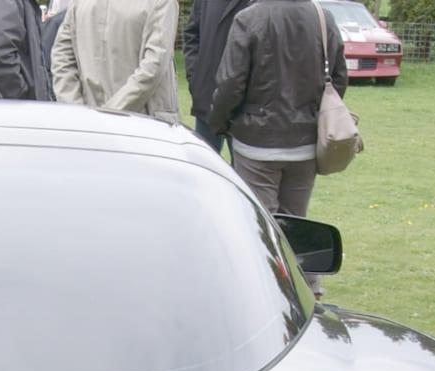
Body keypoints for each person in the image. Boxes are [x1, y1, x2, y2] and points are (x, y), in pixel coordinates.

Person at [206, 0, 345, 296]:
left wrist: (219, 122)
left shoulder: (250, 18)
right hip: (304, 143)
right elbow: (339, 78)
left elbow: (231, 82)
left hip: (257, 141)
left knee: (260, 227)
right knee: (296, 222)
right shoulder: (323, 17)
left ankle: (265, 295)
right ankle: (306, 290)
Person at [50, 0, 181, 124]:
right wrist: (103, 114)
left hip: (93, 122)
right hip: (143, 125)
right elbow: (154, 65)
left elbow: (61, 58)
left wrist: (77, 110)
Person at [182, 0, 254, 152]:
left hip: (245, 104)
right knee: (204, 165)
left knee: (241, 174)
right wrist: (195, 78)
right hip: (207, 97)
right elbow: (192, 35)